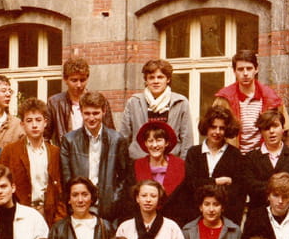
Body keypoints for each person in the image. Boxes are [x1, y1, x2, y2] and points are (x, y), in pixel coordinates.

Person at [60, 91, 132, 224]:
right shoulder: (69, 141)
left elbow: (124, 177)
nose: (91, 118)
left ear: (104, 111)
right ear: (81, 113)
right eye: (87, 113)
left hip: (108, 208)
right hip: (79, 206)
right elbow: (66, 178)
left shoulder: (117, 140)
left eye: (96, 113)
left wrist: (113, 200)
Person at [0, 97, 66, 226]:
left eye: (38, 120)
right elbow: (0, 184)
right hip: (19, 215)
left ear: (45, 122)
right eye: (29, 121)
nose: (34, 125)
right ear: (22, 124)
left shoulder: (55, 152)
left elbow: (61, 190)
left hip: (48, 215)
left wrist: (59, 220)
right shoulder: (10, 151)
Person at [213, 49, 289, 155]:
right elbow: (212, 130)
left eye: (249, 68)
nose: (245, 73)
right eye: (240, 69)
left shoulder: (271, 97)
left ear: (256, 69)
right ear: (234, 71)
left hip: (262, 158)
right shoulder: (224, 99)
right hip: (232, 157)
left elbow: (285, 130)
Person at [179, 105, 245, 225]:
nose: (217, 132)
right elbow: (190, 184)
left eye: (222, 128)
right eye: (213, 127)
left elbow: (237, 193)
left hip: (225, 220)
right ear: (206, 127)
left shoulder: (235, 155)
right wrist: (217, 181)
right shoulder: (194, 153)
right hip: (194, 218)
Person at [119, 59, 194, 159]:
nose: (156, 81)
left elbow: (187, 139)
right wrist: (125, 163)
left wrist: (183, 163)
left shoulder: (181, 102)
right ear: (146, 80)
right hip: (139, 160)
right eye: (151, 77)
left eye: (160, 77)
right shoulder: (134, 102)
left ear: (168, 79)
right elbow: (124, 137)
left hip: (170, 161)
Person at [243, 109, 289, 212]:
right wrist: (286, 186)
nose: (271, 131)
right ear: (261, 132)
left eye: (275, 126)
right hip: (260, 213)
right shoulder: (251, 158)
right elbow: (250, 186)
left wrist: (270, 187)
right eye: (266, 128)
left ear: (283, 129)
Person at [48, 177, 112, 239]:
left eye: (85, 194)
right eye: (75, 195)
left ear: (92, 198)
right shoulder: (58, 229)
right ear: (69, 199)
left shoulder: (106, 227)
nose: (80, 200)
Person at [46, 57, 115, 146]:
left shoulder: (100, 101)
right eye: (74, 80)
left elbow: (111, 135)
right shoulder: (54, 103)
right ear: (65, 80)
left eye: (82, 80)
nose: (79, 85)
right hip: (65, 153)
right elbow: (45, 136)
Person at [132, 120, 185, 199]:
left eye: (159, 140)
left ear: (166, 143)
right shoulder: (137, 166)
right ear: (145, 143)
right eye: (150, 141)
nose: (154, 145)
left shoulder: (179, 165)